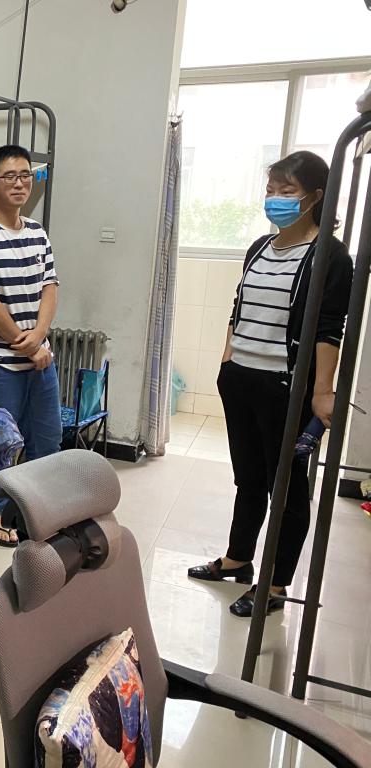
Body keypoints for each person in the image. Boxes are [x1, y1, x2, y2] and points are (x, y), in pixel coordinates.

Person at [188, 151, 354, 617]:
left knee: (287, 491)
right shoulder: (260, 247)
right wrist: (227, 358)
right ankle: (238, 559)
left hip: (286, 387)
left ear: (315, 197)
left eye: (287, 191)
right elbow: (239, 305)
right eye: (270, 190)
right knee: (248, 478)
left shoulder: (331, 255)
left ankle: (276, 585)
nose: (275, 199)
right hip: (240, 378)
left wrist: (322, 391)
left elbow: (329, 330)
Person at [0, 145, 62, 547]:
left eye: (25, 175)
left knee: (47, 440)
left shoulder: (37, 231)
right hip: (1, 362)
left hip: (41, 359)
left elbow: (50, 286)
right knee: (0, 444)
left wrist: (39, 335)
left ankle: (37, 512)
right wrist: (28, 346)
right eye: (9, 176)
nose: (20, 183)